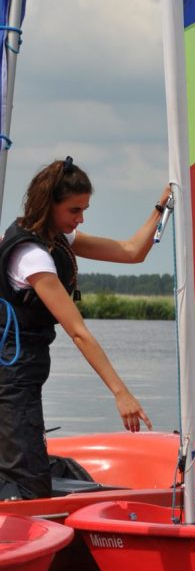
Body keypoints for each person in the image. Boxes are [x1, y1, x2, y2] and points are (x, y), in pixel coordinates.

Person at [0, 156, 171, 501]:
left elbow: (131, 252)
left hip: (25, 374)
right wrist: (121, 392)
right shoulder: (32, 257)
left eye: (84, 209)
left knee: (33, 470)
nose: (81, 219)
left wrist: (162, 206)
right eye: (75, 210)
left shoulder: (56, 236)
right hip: (11, 377)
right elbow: (77, 331)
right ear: (49, 206)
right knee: (30, 488)